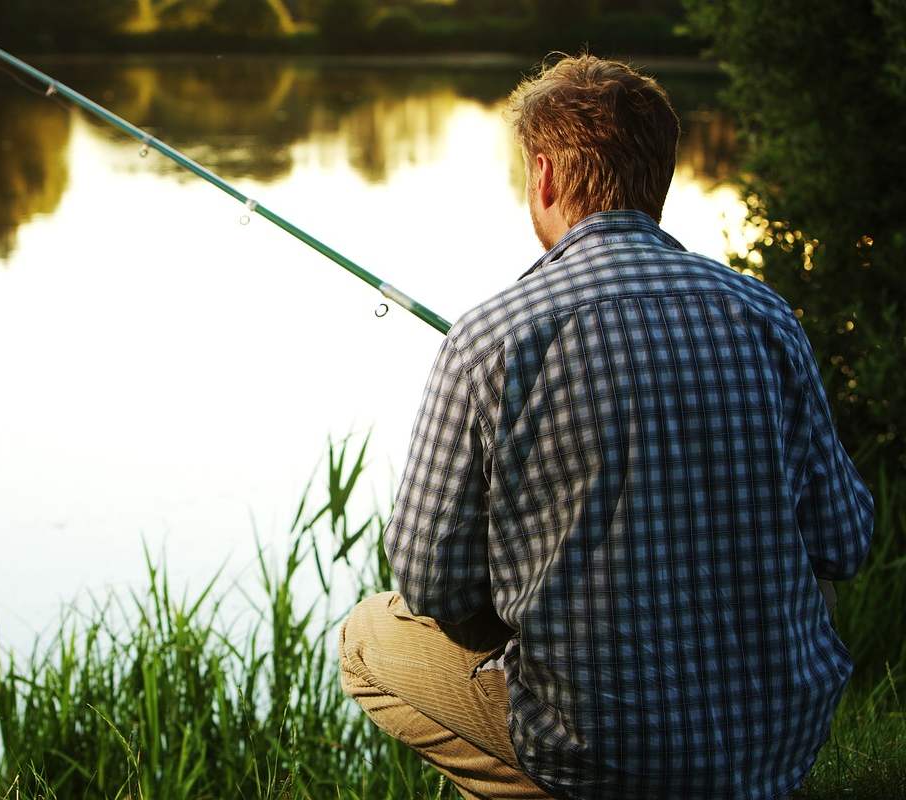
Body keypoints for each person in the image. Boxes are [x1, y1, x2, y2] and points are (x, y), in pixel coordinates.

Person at [339, 55, 874, 800]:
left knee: (367, 639)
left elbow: (429, 581)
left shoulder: (489, 338)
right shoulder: (764, 316)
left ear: (547, 176)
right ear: (659, 179)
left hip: (596, 750)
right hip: (775, 747)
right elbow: (845, 540)